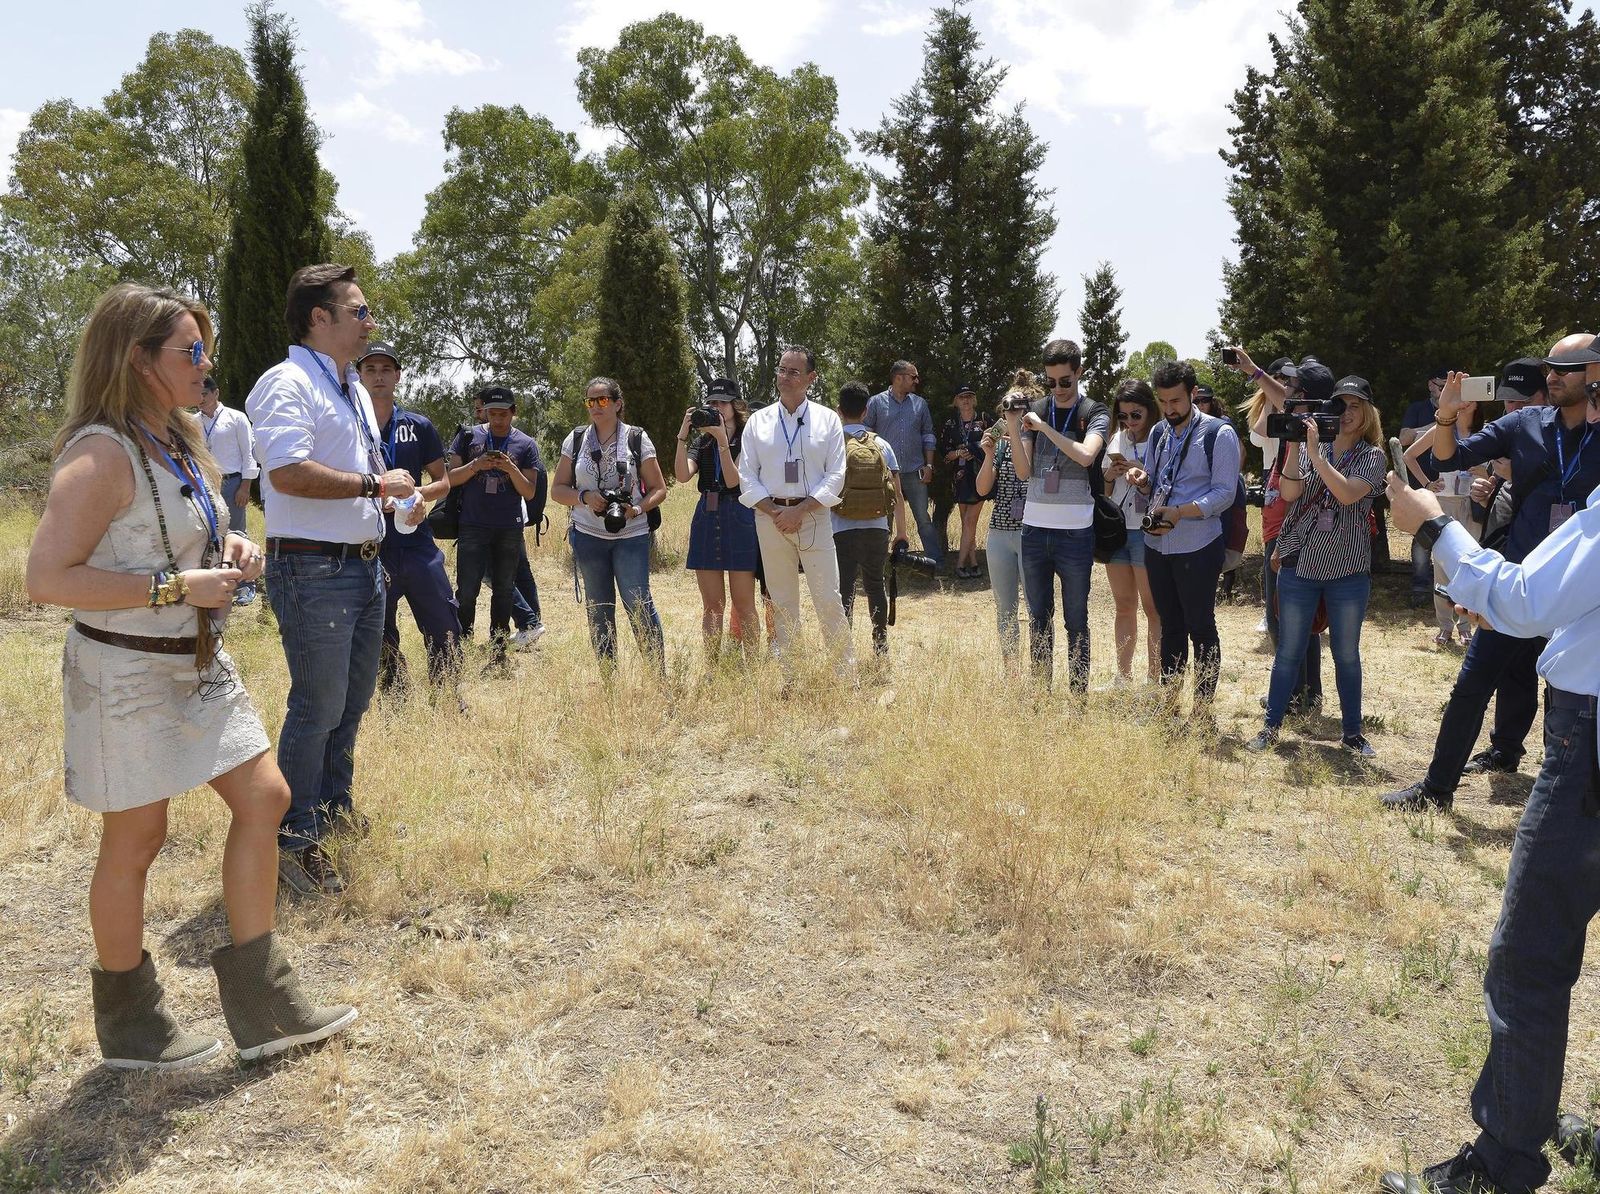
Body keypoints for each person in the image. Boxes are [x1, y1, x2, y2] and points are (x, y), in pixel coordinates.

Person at [27, 282, 355, 1069]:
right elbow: (47, 577)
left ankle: (263, 1002)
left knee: (267, 796)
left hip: (199, 661)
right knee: (137, 837)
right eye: (191, 351)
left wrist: (230, 549)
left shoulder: (177, 439)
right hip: (126, 673)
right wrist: (173, 589)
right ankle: (132, 1027)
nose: (206, 364)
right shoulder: (102, 452)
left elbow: (186, 534)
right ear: (139, 361)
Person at [1376, 335, 1600, 1192]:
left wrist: (1433, 526)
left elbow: (1525, 602)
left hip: (1587, 750)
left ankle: (1502, 1163)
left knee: (1531, 955)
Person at [247, 263, 412, 895]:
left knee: (351, 701)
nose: (371, 322)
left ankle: (331, 812)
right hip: (313, 567)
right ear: (321, 318)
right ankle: (294, 839)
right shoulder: (286, 382)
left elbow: (363, 474)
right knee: (317, 705)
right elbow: (285, 473)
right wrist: (375, 485)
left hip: (363, 564)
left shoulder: (347, 386)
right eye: (360, 311)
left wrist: (395, 499)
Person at [1383, 342, 1598, 813]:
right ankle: (1437, 788)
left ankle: (1557, 797)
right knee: (1474, 681)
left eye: (1566, 368)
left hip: (1582, 587)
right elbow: (1449, 458)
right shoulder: (1525, 425)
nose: (1553, 375)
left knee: (1568, 689)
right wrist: (1445, 417)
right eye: (1550, 367)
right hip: (1518, 576)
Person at [1246, 376, 1387, 757]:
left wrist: (1317, 455)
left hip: (1348, 568)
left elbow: (1345, 493)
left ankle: (1353, 733)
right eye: (1339, 404)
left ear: (1368, 414)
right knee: (1289, 649)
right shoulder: (1311, 447)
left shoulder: (1372, 455)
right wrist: (1293, 447)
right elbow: (1290, 492)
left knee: (1346, 653)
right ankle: (1271, 727)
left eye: (1355, 405)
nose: (1346, 412)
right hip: (1302, 563)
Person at [1132, 360, 1241, 720]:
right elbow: (1154, 481)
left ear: (1193, 394)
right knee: (1169, 625)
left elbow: (1224, 493)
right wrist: (1141, 480)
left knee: (1200, 625)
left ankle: (1203, 711)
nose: (1169, 410)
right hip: (1156, 544)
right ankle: (1170, 707)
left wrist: (1182, 511)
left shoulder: (1218, 434)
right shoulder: (1159, 433)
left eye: (1176, 401)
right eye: (1163, 402)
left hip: (1197, 543)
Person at [738, 345, 854, 673]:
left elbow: (836, 474)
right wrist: (776, 513)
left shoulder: (828, 420)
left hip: (813, 515)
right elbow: (747, 475)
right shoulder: (758, 422)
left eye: (794, 372)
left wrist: (800, 510)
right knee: (783, 602)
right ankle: (792, 675)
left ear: (810, 378)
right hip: (770, 518)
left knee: (828, 597)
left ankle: (844, 674)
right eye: (781, 369)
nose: (785, 377)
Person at [357, 342, 461, 697]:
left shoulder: (418, 425)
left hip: (416, 541)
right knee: (377, 627)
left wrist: (414, 497)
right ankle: (394, 695)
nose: (378, 376)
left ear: (398, 375)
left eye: (386, 369)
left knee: (442, 618)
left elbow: (443, 482)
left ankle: (447, 693)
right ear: (358, 376)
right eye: (370, 369)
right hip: (369, 545)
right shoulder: (348, 427)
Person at [551, 377, 667, 671]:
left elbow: (659, 488)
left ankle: (657, 677)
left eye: (602, 400)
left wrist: (636, 508)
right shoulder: (576, 439)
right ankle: (609, 681)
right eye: (590, 401)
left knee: (638, 604)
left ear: (617, 404)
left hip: (631, 534)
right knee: (599, 610)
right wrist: (585, 496)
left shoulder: (636, 438)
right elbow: (557, 490)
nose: (595, 406)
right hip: (588, 535)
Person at [1014, 339, 1109, 692]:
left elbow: (1086, 456)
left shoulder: (1094, 411)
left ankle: (1078, 697)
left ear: (1079, 373)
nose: (1057, 389)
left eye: (1065, 381)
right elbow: (1024, 472)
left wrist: (1044, 429)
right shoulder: (1036, 410)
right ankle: (1040, 693)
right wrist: (1015, 425)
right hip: (1034, 531)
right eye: (1051, 381)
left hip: (1076, 535)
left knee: (1076, 620)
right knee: (1038, 618)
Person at [1237, 350, 1327, 716]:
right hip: (1279, 526)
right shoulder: (1296, 419)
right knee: (1294, 619)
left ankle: (1295, 694)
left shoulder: (1316, 429)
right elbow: (1260, 432)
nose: (1286, 391)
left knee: (1285, 619)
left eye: (1294, 386)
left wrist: (1254, 370)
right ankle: (1307, 694)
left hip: (1292, 533)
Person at [446, 386, 541, 672]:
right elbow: (450, 479)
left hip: (508, 528)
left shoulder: (526, 444)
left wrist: (511, 468)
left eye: (503, 414)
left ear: (513, 412)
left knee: (503, 590)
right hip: (472, 525)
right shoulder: (467, 437)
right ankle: (460, 649)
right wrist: (477, 465)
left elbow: (529, 492)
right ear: (484, 412)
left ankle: (498, 652)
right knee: (466, 591)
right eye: (492, 413)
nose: (498, 419)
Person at [675, 377, 760, 665]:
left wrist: (724, 441)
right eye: (711, 403)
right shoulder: (703, 441)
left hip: (738, 514)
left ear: (736, 406)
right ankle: (712, 667)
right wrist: (682, 437)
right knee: (712, 606)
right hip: (707, 516)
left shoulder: (748, 437)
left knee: (744, 603)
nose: (717, 409)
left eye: (722, 403)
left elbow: (735, 481)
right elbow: (683, 475)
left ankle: (752, 666)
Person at [1406, 400, 1489, 647]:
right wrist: (1427, 484)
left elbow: (1501, 470)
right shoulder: (1442, 430)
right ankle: (1444, 626)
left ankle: (1465, 627)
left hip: (1472, 504)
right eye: (1459, 400)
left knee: (1469, 565)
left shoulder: (1486, 433)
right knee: (1441, 566)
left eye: (1469, 400)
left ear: (1476, 405)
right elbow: (1409, 455)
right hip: (1443, 505)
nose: (1463, 405)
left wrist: (1483, 475)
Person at [833, 380, 905, 661]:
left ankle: (844, 650)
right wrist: (901, 532)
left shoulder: (833, 444)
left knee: (844, 588)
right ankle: (880, 644)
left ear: (839, 411)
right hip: (877, 526)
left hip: (840, 526)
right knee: (875, 584)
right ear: (865, 411)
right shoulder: (881, 444)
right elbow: (897, 493)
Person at [1101, 378, 1162, 684]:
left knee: (1153, 608)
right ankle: (1122, 678)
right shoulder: (1117, 438)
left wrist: (1143, 472)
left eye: (1135, 415)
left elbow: (1168, 487)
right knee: (1124, 605)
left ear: (1151, 410)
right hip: (1118, 528)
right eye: (1123, 415)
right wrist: (1111, 474)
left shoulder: (1162, 437)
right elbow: (1106, 488)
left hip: (1148, 529)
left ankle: (1155, 679)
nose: (1129, 422)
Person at [976, 372, 1038, 665]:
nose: (1012, 414)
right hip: (999, 531)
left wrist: (1016, 432)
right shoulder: (999, 443)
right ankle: (1011, 672)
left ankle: (1040, 671)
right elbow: (982, 488)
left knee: (1037, 607)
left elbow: (1026, 471)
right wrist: (988, 454)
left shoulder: (1040, 438)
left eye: (1019, 408)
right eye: (1008, 409)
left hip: (1032, 532)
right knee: (1005, 608)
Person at [864, 360, 939, 567]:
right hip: (885, 474)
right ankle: (879, 567)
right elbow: (865, 434)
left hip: (915, 471)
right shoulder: (875, 403)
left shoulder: (920, 404)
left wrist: (929, 466)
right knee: (883, 521)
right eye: (913, 377)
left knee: (923, 519)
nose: (917, 381)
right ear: (899, 378)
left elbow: (928, 435)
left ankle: (934, 564)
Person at [197, 375, 259, 605]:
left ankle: (245, 584)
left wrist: (245, 486)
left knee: (237, 532)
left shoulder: (236, 418)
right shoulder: (193, 422)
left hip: (232, 482)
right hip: (204, 485)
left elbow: (249, 456)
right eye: (197, 394)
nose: (200, 399)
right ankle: (217, 582)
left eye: (204, 394)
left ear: (216, 393)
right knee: (207, 534)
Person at [1400, 368, 1451, 604]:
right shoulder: (1417, 409)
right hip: (1423, 483)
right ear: (1430, 385)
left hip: (1451, 486)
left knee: (1450, 536)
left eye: (1446, 387)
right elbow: (1403, 441)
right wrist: (1443, 421)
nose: (1442, 391)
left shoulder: (1460, 410)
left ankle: (1448, 592)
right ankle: (1420, 588)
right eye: (1440, 386)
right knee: (1421, 538)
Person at [939, 384, 989, 578]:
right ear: (956, 401)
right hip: (959, 476)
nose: (966, 400)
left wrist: (975, 450)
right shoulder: (951, 423)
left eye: (969, 396)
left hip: (980, 475)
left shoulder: (984, 419)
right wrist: (960, 452)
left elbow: (998, 438)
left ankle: (960, 565)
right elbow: (944, 452)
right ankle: (973, 561)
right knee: (967, 522)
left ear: (974, 399)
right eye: (961, 397)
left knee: (970, 520)